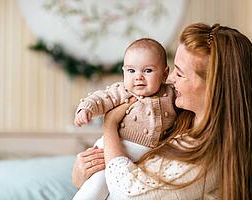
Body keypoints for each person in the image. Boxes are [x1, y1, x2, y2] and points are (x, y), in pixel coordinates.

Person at [72, 23, 252, 199]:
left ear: (213, 87)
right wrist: (84, 177)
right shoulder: (178, 120)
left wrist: (110, 126)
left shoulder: (208, 157)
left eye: (179, 73)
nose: (170, 80)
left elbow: (128, 193)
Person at [73, 38, 177, 200]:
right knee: (95, 189)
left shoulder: (171, 94)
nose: (138, 77)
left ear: (164, 74)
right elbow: (100, 98)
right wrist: (86, 109)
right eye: (131, 71)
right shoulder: (122, 91)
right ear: (123, 72)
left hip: (144, 158)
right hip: (112, 149)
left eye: (148, 71)